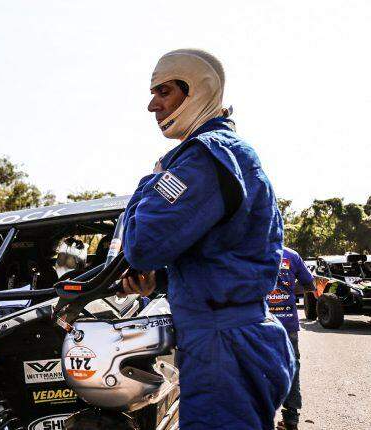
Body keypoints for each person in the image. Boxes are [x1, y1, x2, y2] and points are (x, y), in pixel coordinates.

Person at [118, 49, 295, 429]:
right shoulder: (229, 154)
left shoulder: (203, 157)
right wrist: (160, 280)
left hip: (222, 346)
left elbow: (142, 244)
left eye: (163, 92)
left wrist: (150, 181)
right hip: (237, 336)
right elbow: (223, 254)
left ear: (196, 90)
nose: (152, 105)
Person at [270, 247, 314, 430]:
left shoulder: (250, 248)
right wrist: (288, 287)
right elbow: (309, 284)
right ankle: (291, 420)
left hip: (259, 323)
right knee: (292, 367)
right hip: (288, 323)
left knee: (256, 367)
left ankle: (259, 416)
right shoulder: (291, 255)